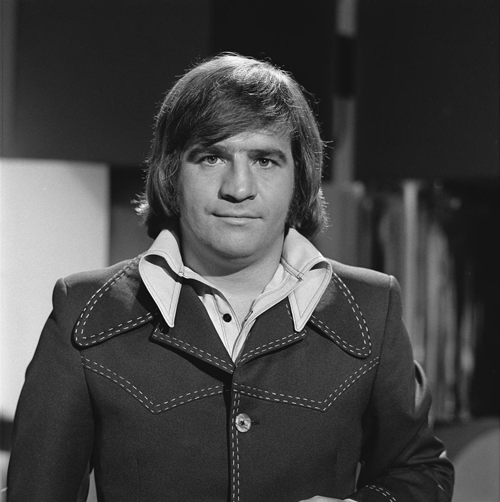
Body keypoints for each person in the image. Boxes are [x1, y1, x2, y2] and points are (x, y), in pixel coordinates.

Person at [7, 53, 454, 501]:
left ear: (299, 178)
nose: (238, 188)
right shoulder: (85, 310)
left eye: (265, 160)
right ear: (171, 173)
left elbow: (421, 473)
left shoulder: (372, 307)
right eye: (211, 158)